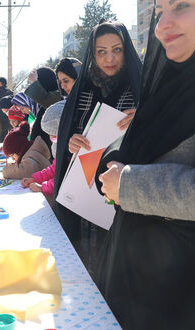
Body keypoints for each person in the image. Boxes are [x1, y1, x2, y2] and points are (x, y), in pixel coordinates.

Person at [96, 1, 195, 328]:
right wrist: (116, 154)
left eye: (182, 5)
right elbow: (147, 143)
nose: (162, 25)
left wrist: (129, 183)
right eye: (160, 11)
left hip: (183, 295)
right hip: (139, 282)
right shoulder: (169, 81)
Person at [52, 21, 142, 271]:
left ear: (127, 50)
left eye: (117, 49)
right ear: (92, 53)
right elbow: (68, 139)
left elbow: (161, 140)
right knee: (86, 270)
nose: (109, 58)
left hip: (126, 199)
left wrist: (144, 120)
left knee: (119, 271)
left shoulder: (141, 88)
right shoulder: (82, 91)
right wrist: (71, 144)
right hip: (85, 200)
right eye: (101, 51)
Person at [21, 102, 65, 199]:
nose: (51, 138)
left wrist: (44, 187)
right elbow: (54, 169)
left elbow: (66, 179)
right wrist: (35, 178)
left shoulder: (71, 152)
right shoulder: (61, 147)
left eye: (54, 135)